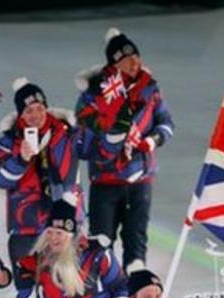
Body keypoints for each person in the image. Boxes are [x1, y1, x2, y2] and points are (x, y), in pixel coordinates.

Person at [0, 77, 80, 298]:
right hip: (25, 230)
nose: (35, 114)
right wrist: (21, 159)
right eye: (28, 111)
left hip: (61, 228)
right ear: (19, 116)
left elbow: (76, 168)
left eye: (39, 107)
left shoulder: (64, 133)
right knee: (27, 295)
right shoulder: (6, 143)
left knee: (67, 290)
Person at [75, 28, 174, 274]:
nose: (134, 62)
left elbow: (167, 123)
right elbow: (83, 142)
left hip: (140, 179)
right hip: (106, 181)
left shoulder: (150, 88)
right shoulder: (94, 94)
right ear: (113, 64)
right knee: (100, 244)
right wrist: (110, 140)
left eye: (135, 56)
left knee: (136, 244)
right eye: (126, 58)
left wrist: (153, 140)